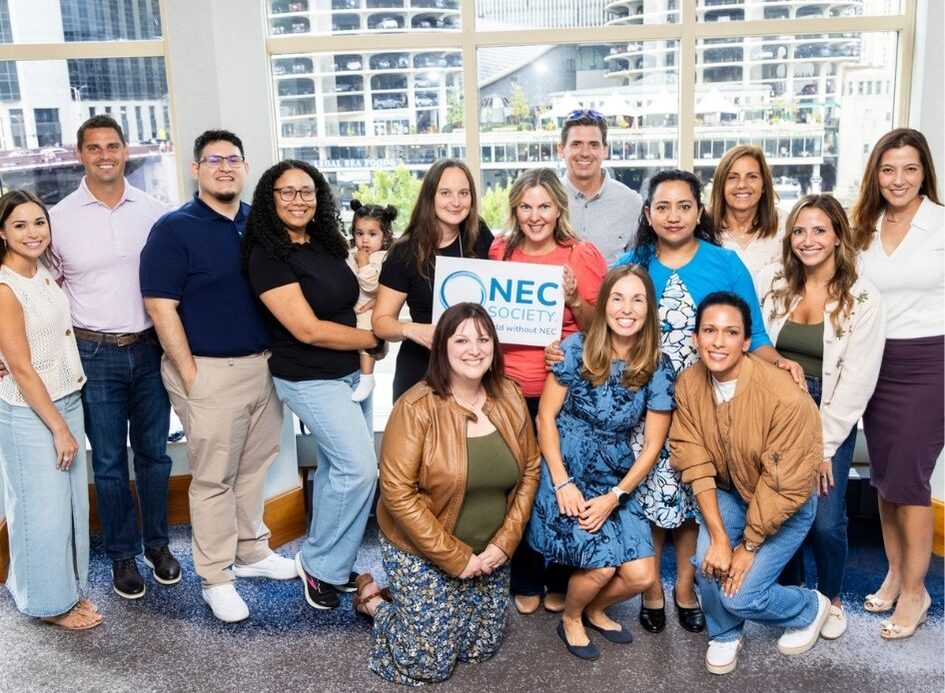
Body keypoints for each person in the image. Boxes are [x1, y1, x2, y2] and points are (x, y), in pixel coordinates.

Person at [611, 169, 802, 636]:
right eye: (662, 206)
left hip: (709, 404)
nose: (673, 216)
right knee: (652, 496)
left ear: (699, 212)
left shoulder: (725, 263)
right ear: (648, 213)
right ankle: (653, 588)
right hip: (646, 404)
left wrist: (782, 365)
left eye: (683, 206)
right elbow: (608, 327)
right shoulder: (630, 263)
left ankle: (686, 587)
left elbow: (751, 332)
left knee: (698, 497)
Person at [141, 130, 295, 623]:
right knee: (212, 478)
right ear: (195, 169)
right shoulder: (174, 228)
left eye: (234, 159)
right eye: (214, 159)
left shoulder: (260, 225)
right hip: (207, 371)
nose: (225, 167)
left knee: (254, 469)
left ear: (246, 168)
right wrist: (190, 375)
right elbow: (160, 307)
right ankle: (216, 576)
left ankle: (251, 552)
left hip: (263, 368)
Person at [353, 303, 539, 685]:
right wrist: (456, 559)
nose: (474, 349)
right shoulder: (416, 407)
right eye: (462, 339)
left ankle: (417, 603)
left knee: (479, 648)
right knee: (431, 663)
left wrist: (505, 543)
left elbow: (531, 469)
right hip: (419, 548)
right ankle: (374, 602)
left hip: (489, 548)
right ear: (442, 347)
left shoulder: (509, 395)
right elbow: (397, 493)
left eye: (483, 339)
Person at [49, 114, 179, 599]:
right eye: (94, 147)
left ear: (127, 151)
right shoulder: (59, 218)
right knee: (106, 462)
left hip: (149, 349)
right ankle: (122, 557)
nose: (105, 154)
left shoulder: (156, 211)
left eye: (113, 146)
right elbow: (43, 289)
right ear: (79, 154)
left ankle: (158, 546)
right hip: (93, 352)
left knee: (154, 456)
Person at [243, 160, 381, 612]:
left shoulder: (325, 242)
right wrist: (374, 339)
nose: (298, 200)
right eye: (287, 192)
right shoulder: (267, 254)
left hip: (348, 373)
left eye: (307, 191)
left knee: (335, 471)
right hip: (307, 374)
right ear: (270, 197)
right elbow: (306, 329)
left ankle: (334, 568)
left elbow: (350, 299)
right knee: (360, 469)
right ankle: (318, 565)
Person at [671, 292, 831, 675]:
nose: (718, 341)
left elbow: (782, 485)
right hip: (732, 491)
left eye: (730, 333)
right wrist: (721, 538)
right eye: (709, 330)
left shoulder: (783, 396)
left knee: (742, 595)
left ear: (746, 342)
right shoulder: (690, 383)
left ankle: (810, 607)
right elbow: (693, 458)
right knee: (707, 560)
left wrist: (748, 545)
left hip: (784, 506)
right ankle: (724, 631)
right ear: (696, 338)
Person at [527, 265, 674, 660]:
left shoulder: (657, 365)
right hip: (565, 467)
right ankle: (572, 617)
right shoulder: (575, 348)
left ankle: (594, 608)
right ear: (605, 303)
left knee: (643, 576)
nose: (627, 308)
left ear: (649, 309)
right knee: (602, 567)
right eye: (618, 298)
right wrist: (561, 482)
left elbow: (652, 446)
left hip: (616, 474)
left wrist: (616, 495)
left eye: (637, 299)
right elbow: (545, 419)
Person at [757, 194, 886, 639]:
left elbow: (858, 382)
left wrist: (823, 447)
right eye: (798, 230)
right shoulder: (772, 281)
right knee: (781, 508)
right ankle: (795, 598)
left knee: (827, 518)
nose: (807, 240)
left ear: (837, 237)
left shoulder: (863, 297)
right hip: (776, 408)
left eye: (818, 230)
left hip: (830, 409)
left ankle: (830, 599)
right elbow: (755, 342)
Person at [488, 167, 607, 615]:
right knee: (519, 484)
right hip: (507, 389)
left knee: (562, 482)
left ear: (559, 208)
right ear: (514, 210)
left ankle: (562, 574)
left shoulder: (582, 254)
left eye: (544, 206)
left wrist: (576, 301)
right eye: (525, 206)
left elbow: (600, 329)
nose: (535, 216)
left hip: (563, 390)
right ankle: (524, 576)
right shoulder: (499, 252)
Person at [850, 128, 944, 639]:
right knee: (885, 479)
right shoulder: (864, 226)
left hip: (931, 362)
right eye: (888, 169)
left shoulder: (942, 225)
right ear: (876, 175)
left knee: (910, 483)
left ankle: (916, 592)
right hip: (875, 361)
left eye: (909, 168)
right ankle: (893, 572)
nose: (899, 179)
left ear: (924, 171)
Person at [0, 190, 102, 630]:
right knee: (40, 510)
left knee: (69, 506)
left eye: (38, 222)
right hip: (30, 410)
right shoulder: (5, 287)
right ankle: (47, 603)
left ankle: (66, 591)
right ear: (2, 231)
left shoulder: (41, 271)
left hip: (66, 396)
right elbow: (20, 368)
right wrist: (60, 429)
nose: (32, 232)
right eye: (19, 225)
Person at [373, 158, 494, 400]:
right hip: (421, 371)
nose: (456, 202)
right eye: (446, 193)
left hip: (471, 372)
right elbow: (381, 322)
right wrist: (413, 330)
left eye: (464, 193)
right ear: (430, 197)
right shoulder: (404, 252)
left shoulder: (479, 235)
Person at [558, 108, 643, 262]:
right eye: (576, 144)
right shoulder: (545, 200)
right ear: (561, 149)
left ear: (605, 150)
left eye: (593, 145)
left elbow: (640, 267)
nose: (585, 152)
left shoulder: (632, 203)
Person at [346, 199, 395, 403]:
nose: (365, 240)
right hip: (353, 307)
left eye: (372, 234)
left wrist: (364, 263)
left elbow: (371, 286)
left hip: (369, 311)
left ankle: (367, 377)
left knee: (366, 334)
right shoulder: (353, 254)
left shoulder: (382, 257)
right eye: (359, 234)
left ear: (384, 237)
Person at [709, 144, 783, 277]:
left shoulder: (785, 225)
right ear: (721, 185)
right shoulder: (703, 229)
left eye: (752, 177)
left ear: (764, 186)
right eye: (732, 177)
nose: (742, 185)